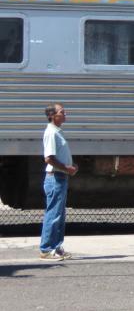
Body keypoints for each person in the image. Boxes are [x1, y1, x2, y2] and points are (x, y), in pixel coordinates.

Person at [39, 103, 77, 261]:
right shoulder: (51, 133)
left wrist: (70, 166)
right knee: (54, 214)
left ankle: (57, 248)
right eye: (62, 112)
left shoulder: (57, 132)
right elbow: (49, 158)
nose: (65, 113)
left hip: (60, 176)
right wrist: (66, 167)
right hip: (55, 177)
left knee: (59, 215)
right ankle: (46, 249)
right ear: (53, 116)